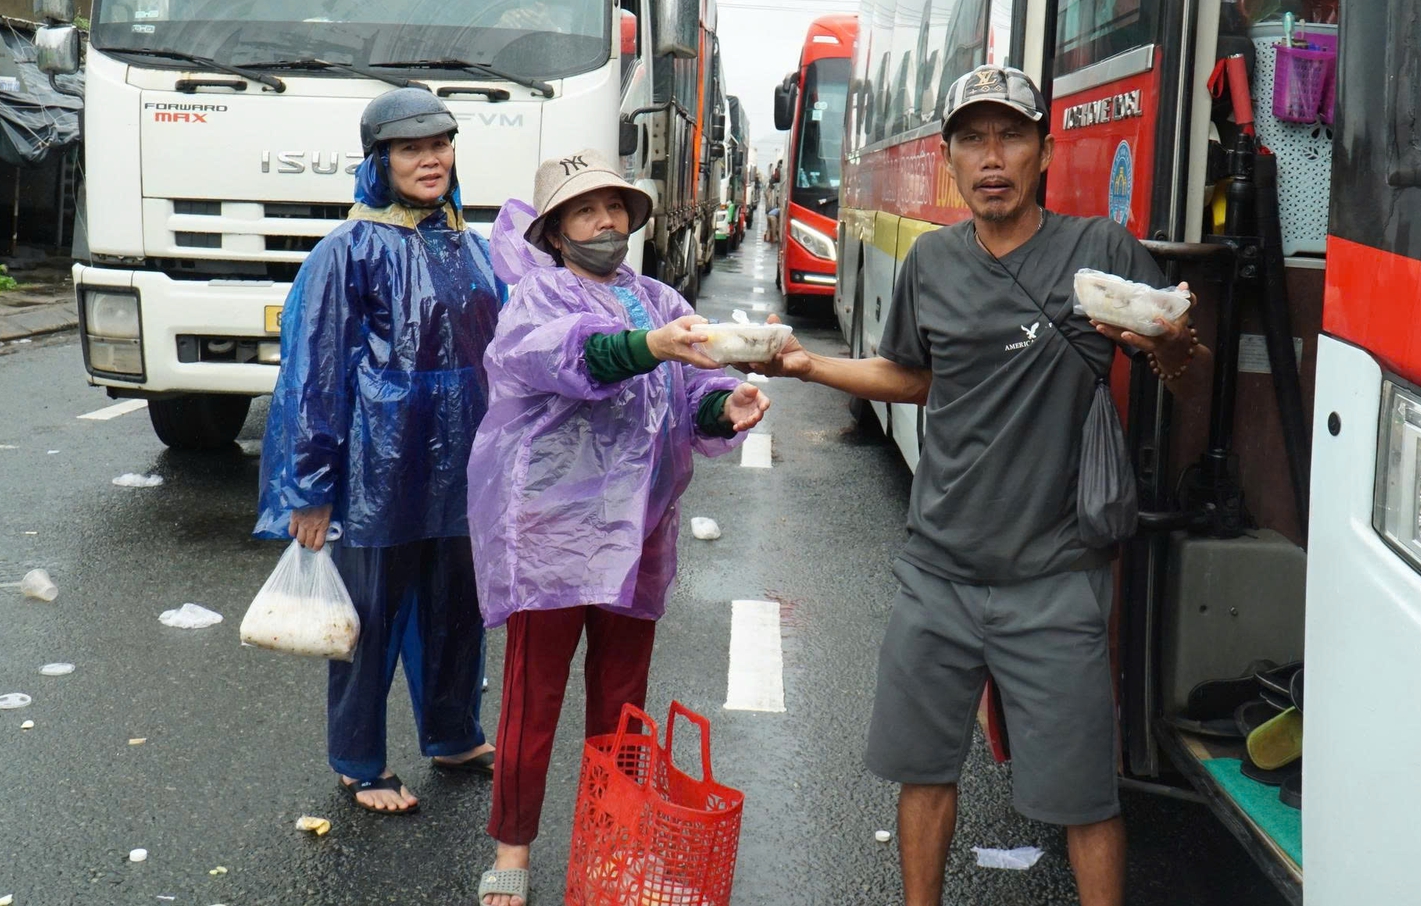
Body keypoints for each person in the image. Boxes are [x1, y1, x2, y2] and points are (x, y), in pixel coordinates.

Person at [745, 65, 1203, 906]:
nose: (993, 158)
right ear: (950, 158)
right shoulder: (931, 263)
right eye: (973, 140)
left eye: (1012, 137)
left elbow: (1186, 368)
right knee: (922, 774)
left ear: (1044, 154)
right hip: (938, 570)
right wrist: (809, 366)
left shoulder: (1096, 252)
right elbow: (914, 375)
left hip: (1057, 577)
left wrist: (1161, 343)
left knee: (1084, 799)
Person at [469, 150, 771, 906]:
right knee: (530, 701)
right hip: (551, 536)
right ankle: (513, 849)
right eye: (585, 211)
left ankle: (618, 842)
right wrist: (646, 348)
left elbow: (693, 388)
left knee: (622, 705)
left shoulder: (662, 300)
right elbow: (571, 358)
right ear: (557, 232)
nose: (605, 222)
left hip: (638, 536)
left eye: (614, 208)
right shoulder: (535, 299)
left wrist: (723, 406)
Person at [255, 87, 501, 815]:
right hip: (379, 471)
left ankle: (453, 733)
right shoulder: (347, 253)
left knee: (459, 609)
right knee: (369, 618)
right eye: (409, 147)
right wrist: (311, 489)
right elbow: (314, 376)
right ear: (379, 159)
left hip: (461, 468)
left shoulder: (471, 246)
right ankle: (358, 761)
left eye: (439, 144)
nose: (429, 159)